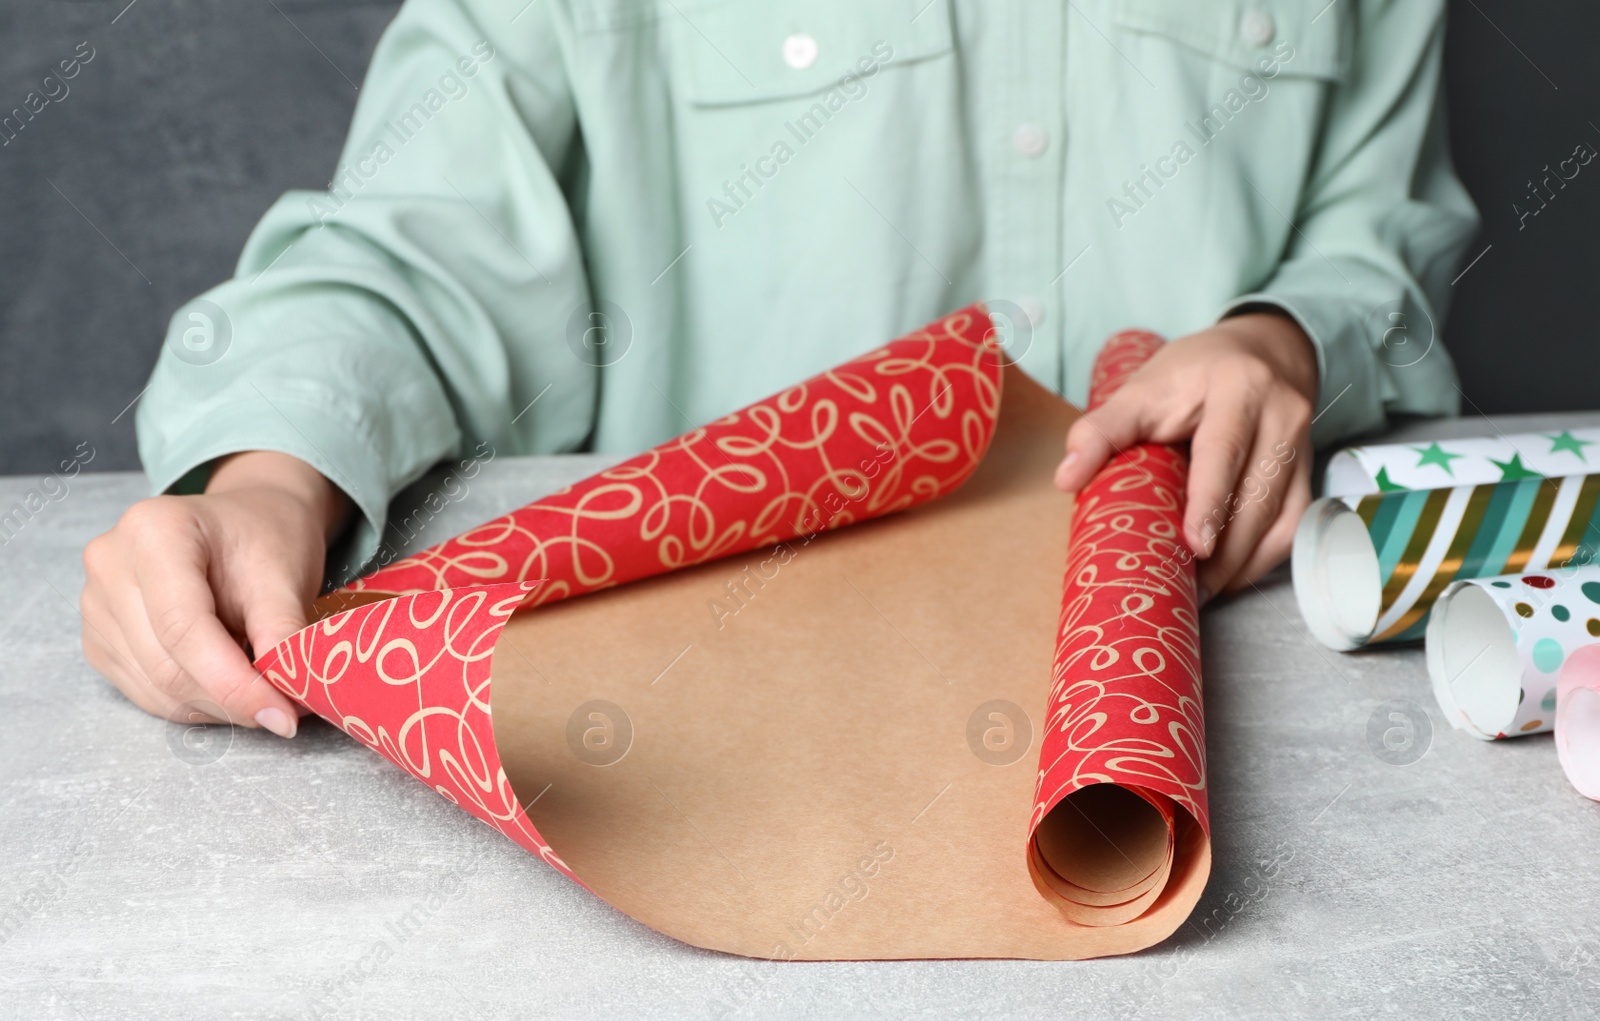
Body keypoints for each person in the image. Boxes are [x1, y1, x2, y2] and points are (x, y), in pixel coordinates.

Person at [80, 0, 1478, 738]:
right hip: (705, 701)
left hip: (1240, 663)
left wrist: (1285, 339)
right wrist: (269, 477)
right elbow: (418, 245)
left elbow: (1383, 229)